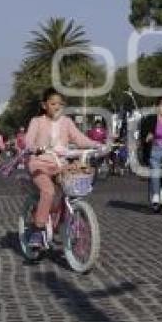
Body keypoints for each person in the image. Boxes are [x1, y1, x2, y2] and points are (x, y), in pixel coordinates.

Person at [24, 87, 101, 248]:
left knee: (71, 191)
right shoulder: (37, 121)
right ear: (44, 105)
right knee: (48, 191)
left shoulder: (67, 122)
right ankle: (38, 230)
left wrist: (97, 145)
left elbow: (80, 139)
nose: (57, 107)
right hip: (40, 164)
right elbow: (28, 141)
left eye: (60, 104)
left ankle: (63, 221)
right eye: (53, 103)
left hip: (61, 165)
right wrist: (33, 147)